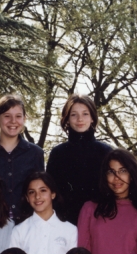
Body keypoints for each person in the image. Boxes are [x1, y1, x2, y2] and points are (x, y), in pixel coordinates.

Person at [46, 94, 113, 224]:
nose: (80, 119)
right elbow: (51, 192)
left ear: (93, 118)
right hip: (66, 222)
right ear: (67, 119)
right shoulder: (58, 153)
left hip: (99, 221)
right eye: (74, 114)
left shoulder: (105, 152)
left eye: (85, 114)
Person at [10, 171, 76, 254]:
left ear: (53, 194)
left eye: (43, 190)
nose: (37, 196)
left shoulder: (70, 230)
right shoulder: (19, 231)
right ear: (27, 198)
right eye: (32, 192)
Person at [0, 94, 44, 218]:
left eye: (18, 116)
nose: (13, 121)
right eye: (7, 116)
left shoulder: (35, 153)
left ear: (24, 119)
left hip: (27, 223)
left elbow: (41, 190)